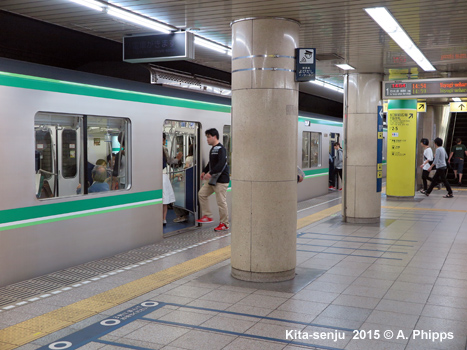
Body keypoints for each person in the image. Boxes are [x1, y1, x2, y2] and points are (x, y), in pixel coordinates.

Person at [196, 128, 230, 231]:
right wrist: (204, 171)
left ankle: (224, 223)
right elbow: (211, 163)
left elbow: (220, 164)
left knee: (221, 202)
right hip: (213, 180)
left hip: (221, 180)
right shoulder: (213, 149)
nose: (207, 139)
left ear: (214, 137)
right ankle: (207, 216)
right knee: (202, 194)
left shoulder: (221, 149)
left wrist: (210, 173)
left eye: (208, 137)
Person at [162, 133, 182, 226]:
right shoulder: (163, 148)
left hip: (155, 176)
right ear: (163, 139)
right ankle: (163, 219)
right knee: (164, 200)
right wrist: (177, 159)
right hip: (163, 176)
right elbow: (169, 161)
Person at [174, 144, 194, 223]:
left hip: (188, 181)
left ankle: (182, 215)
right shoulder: (198, 157)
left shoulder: (189, 158)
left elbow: (187, 168)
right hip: (194, 182)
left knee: (177, 195)